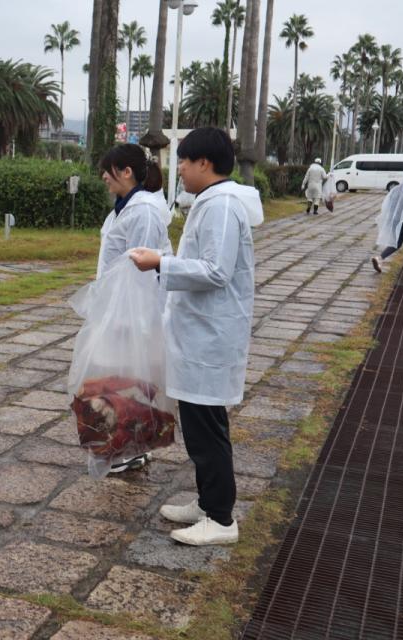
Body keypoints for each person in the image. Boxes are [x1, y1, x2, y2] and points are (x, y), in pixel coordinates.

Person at [130, 127, 263, 546]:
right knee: (199, 424)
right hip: (197, 334)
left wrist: (160, 264)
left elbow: (216, 271)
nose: (180, 169)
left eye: (184, 161)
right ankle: (208, 503)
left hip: (210, 336)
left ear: (205, 163)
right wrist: (167, 263)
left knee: (207, 429)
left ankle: (221, 519)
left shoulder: (222, 205)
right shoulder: (210, 202)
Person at [95, 143, 173, 473]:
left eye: (108, 170)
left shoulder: (142, 210)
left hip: (132, 309)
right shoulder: (127, 206)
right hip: (119, 304)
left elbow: (139, 269)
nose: (103, 177)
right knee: (125, 378)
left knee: (126, 379)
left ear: (126, 172)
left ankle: (127, 449)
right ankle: (133, 446)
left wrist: (128, 318)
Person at [372, 167, 403, 275]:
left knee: (397, 243)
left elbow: (390, 206)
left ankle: (379, 258)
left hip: (397, 221)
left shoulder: (397, 188)